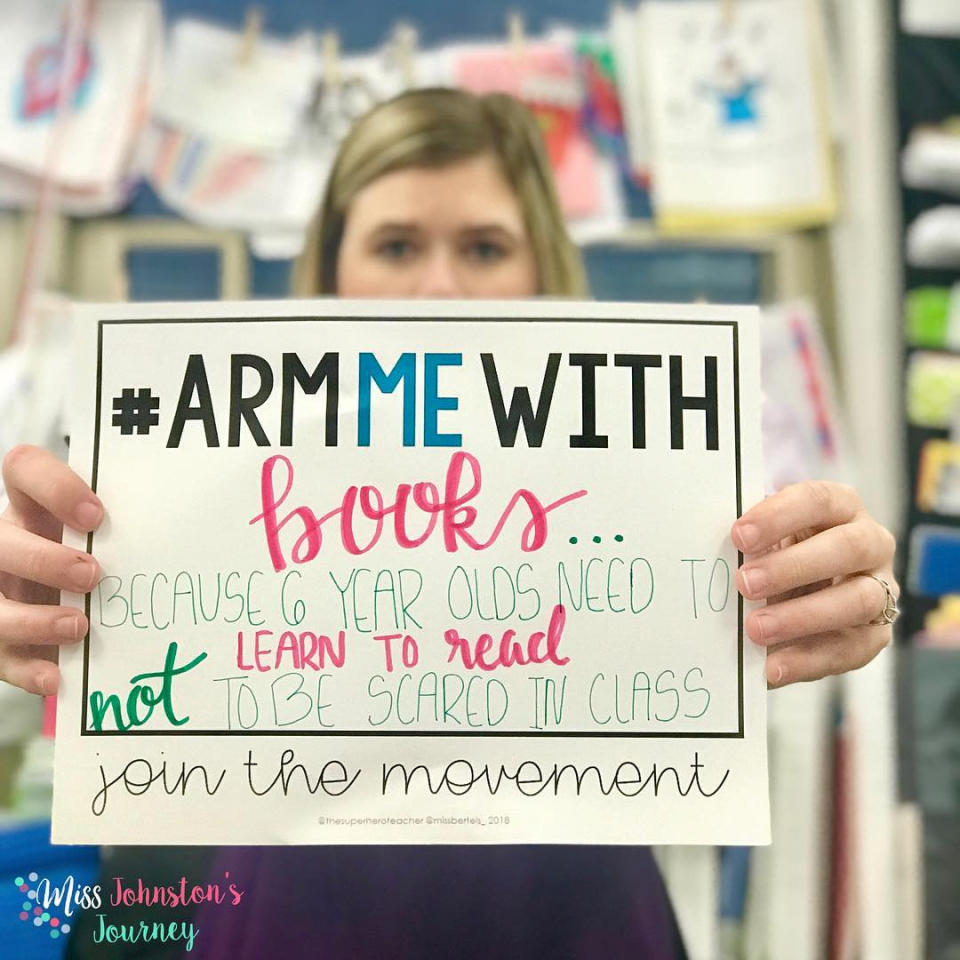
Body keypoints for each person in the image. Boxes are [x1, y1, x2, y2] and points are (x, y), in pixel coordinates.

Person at [0, 89, 897, 959]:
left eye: (483, 246)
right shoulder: (196, 475)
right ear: (330, 272)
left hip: (578, 924)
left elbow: (786, 588)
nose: (439, 287)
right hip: (289, 924)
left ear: (541, 270)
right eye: (395, 245)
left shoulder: (661, 479)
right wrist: (44, 592)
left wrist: (849, 588)